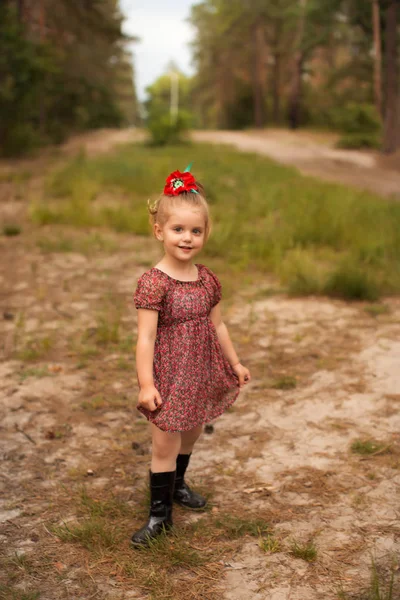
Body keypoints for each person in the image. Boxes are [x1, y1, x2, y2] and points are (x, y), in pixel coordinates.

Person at [131, 164, 251, 547]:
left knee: (192, 433)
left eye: (195, 231)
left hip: (201, 373)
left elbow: (219, 326)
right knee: (164, 443)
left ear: (205, 234)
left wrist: (234, 363)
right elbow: (145, 338)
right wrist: (146, 384)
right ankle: (159, 516)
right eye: (178, 229)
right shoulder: (154, 282)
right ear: (159, 231)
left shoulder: (206, 278)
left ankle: (178, 486)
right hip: (169, 377)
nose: (187, 238)